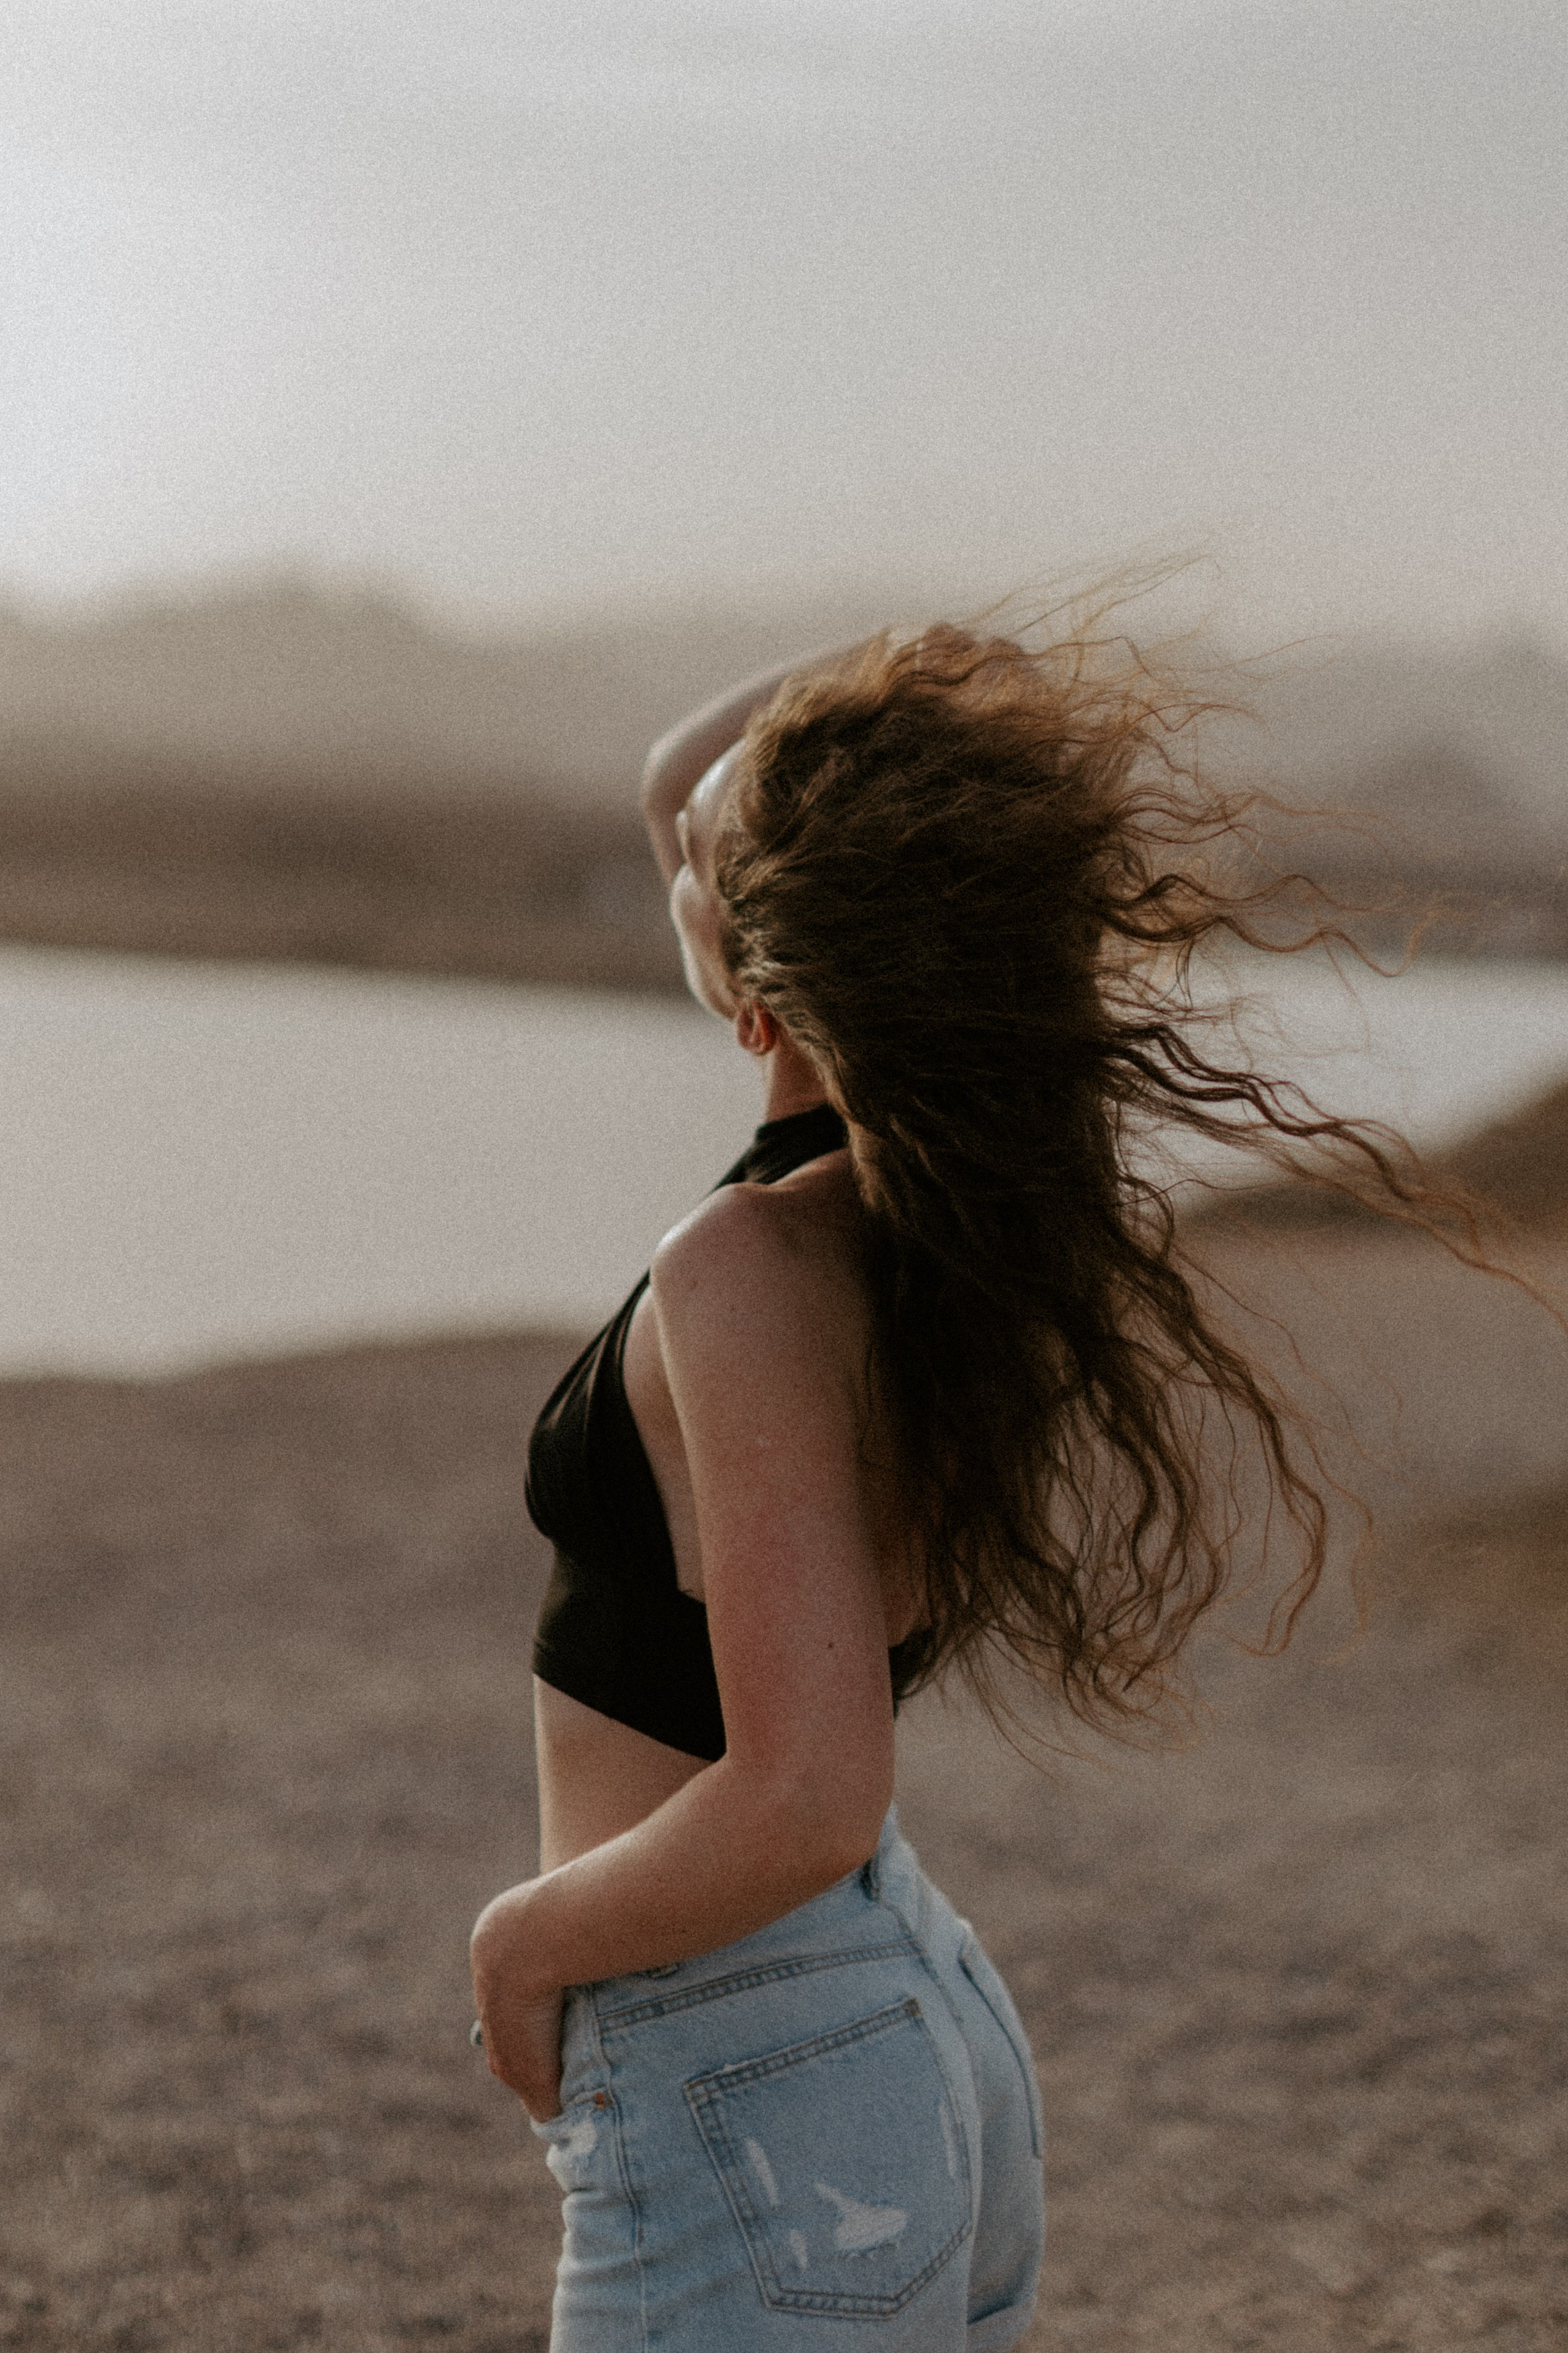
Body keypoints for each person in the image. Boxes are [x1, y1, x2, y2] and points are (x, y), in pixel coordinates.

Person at [467, 616, 1445, 2350]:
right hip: (877, 2024)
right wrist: (928, 668)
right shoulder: (937, 1227)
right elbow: (679, 785)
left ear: (753, 987)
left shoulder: (748, 1266)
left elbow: (809, 1796)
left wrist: (521, 1942)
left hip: (750, 2053)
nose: (683, 853)